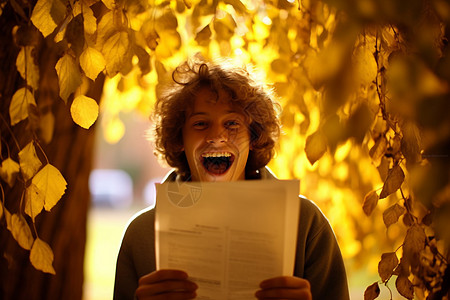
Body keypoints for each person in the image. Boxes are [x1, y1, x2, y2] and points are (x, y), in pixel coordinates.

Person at [113, 57, 350, 300]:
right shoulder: (140, 234)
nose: (217, 136)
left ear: (254, 137)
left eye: (232, 123)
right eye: (201, 123)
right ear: (179, 140)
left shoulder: (307, 223)